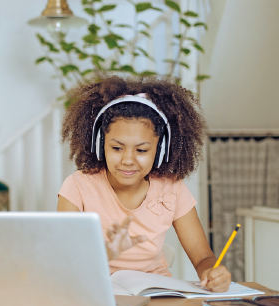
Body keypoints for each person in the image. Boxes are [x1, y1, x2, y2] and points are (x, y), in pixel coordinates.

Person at [57, 73, 231, 292]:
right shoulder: (78, 187)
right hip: (95, 288)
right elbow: (63, 260)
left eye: (141, 150)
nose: (128, 160)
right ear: (100, 144)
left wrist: (212, 273)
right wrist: (105, 254)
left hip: (154, 293)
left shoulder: (172, 188)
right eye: (117, 148)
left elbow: (203, 257)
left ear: (160, 150)